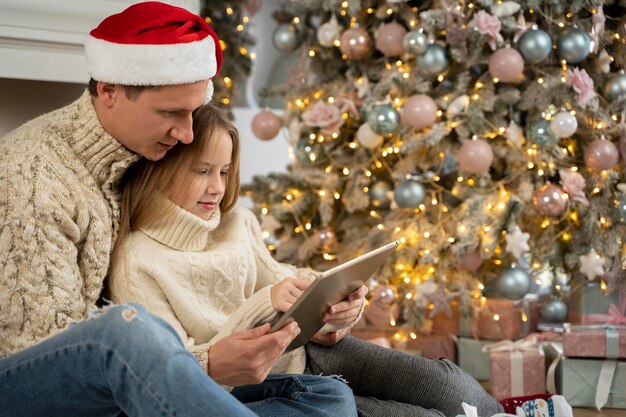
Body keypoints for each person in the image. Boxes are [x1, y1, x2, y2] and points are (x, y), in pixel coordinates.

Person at [0, 2, 357, 416]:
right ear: (110, 90)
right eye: (170, 113)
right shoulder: (32, 177)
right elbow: (45, 353)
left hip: (138, 372)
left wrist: (327, 295)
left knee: (325, 396)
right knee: (122, 330)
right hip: (26, 382)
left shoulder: (139, 152)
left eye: (191, 112)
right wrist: (205, 364)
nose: (186, 133)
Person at [109, 103, 506, 417]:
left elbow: (285, 279)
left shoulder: (235, 223)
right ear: (160, 168)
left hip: (306, 350)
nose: (217, 187)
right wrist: (266, 303)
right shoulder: (137, 261)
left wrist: (337, 298)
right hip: (260, 387)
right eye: (202, 171)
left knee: (446, 387)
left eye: (225, 171)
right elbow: (179, 374)